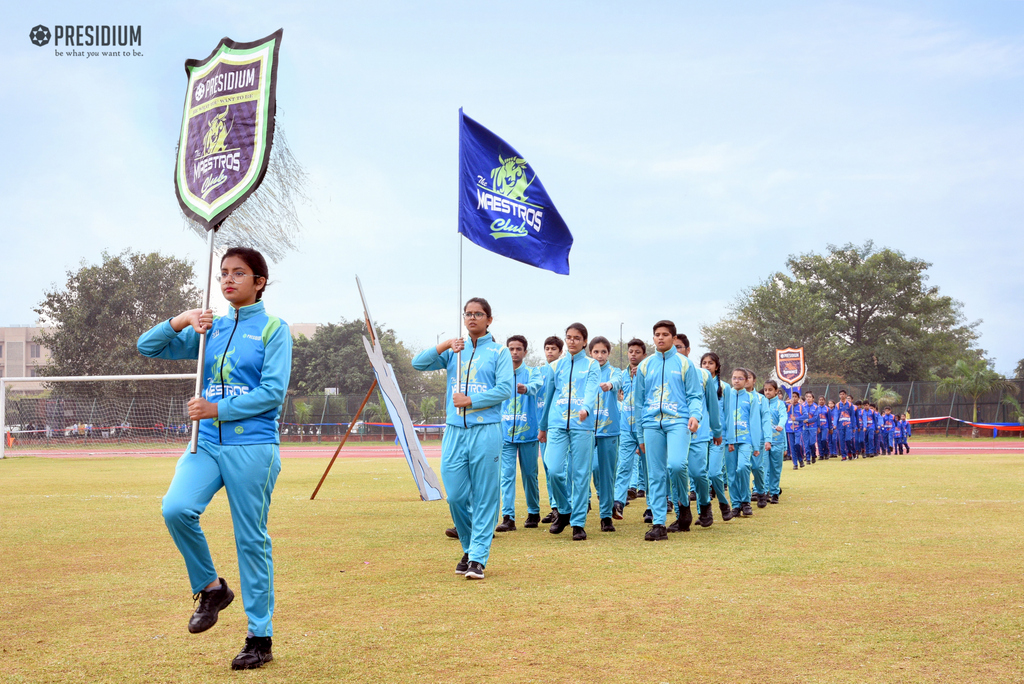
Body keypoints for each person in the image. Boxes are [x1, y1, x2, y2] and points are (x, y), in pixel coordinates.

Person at [138, 247, 291, 670]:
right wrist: (183, 320)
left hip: (253, 446)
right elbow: (147, 346)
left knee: (251, 540)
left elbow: (273, 393)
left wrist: (217, 409)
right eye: (224, 273)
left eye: (239, 273)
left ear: (259, 281)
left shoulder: (274, 329)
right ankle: (211, 588)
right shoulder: (211, 329)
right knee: (176, 509)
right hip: (204, 442)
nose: (228, 280)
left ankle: (259, 637)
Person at [412, 298, 513, 580]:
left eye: (478, 314)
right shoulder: (456, 351)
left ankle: (478, 557)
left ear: (489, 320)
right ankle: (469, 547)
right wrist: (445, 345)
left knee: (484, 495)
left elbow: (505, 389)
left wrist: (472, 400)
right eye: (467, 314)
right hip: (455, 430)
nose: (472, 318)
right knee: (455, 495)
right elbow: (418, 363)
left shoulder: (499, 352)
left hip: (487, 430)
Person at [633, 320, 703, 540]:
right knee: (655, 473)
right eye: (656, 334)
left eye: (665, 334)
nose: (660, 338)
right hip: (651, 424)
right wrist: (639, 432)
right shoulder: (645, 366)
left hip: (679, 422)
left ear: (673, 338)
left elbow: (694, 395)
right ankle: (659, 524)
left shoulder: (685, 364)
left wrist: (695, 415)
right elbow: (638, 402)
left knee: (676, 465)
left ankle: (683, 505)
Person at [538, 323, 600, 541]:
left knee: (581, 474)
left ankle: (578, 523)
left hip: (582, 425)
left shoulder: (592, 365)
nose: (572, 341)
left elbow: (592, 389)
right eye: (569, 337)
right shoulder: (555, 366)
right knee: (553, 468)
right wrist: (543, 426)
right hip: (556, 424)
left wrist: (587, 408)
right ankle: (564, 510)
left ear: (584, 341)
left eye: (576, 338)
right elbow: (548, 398)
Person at [671, 334, 721, 529]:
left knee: (699, 473)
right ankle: (681, 513)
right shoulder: (665, 372)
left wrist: (716, 430)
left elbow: (712, 405)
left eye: (680, 347)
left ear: (688, 350)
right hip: (674, 431)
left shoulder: (703, 375)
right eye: (673, 347)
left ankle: (705, 504)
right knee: (675, 471)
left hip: (699, 433)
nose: (676, 351)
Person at [495, 335, 544, 532]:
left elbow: (536, 386)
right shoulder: (500, 374)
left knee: (530, 475)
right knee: (506, 476)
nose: (514, 352)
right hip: (505, 435)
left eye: (518, 349)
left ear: (525, 352)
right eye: (511, 349)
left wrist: (527, 388)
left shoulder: (533, 372)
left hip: (529, 434)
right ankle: (508, 517)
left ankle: (533, 511)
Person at [586, 336, 622, 532]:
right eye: (596, 352)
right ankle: (581, 509)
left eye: (603, 352)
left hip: (609, 430)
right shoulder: (585, 371)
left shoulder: (615, 372)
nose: (599, 355)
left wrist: (609, 385)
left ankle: (606, 516)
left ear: (608, 353)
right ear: (590, 353)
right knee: (589, 468)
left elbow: (617, 381)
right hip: (586, 428)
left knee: (607, 473)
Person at [722, 368, 765, 518]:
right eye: (734, 378)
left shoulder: (752, 398)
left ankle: (746, 501)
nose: (736, 380)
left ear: (747, 381)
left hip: (746, 440)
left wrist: (755, 444)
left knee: (743, 468)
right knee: (731, 474)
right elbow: (723, 418)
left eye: (740, 378)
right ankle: (736, 504)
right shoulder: (727, 396)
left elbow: (754, 422)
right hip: (729, 441)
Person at [613, 339, 646, 521]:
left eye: (637, 352)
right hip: (626, 427)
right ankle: (618, 502)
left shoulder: (650, 373)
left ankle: (654, 506)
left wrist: (641, 375)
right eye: (630, 351)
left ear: (644, 355)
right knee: (623, 466)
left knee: (650, 468)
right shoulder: (621, 375)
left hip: (647, 428)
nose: (633, 355)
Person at [701, 352, 734, 521]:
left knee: (714, 473)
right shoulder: (696, 384)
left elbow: (728, 415)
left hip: (718, 437)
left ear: (717, 366)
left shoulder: (725, 387)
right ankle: (704, 509)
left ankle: (723, 502)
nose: (707, 366)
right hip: (699, 435)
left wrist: (730, 438)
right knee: (700, 474)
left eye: (710, 363)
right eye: (704, 363)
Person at [539, 336, 564, 524]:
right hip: (544, 427)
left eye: (553, 349)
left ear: (560, 352)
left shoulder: (564, 369)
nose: (550, 352)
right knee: (548, 468)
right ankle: (554, 507)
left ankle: (566, 505)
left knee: (563, 469)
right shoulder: (539, 372)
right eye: (547, 348)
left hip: (562, 426)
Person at [762, 380, 788, 503]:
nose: (767, 392)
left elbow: (784, 416)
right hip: (763, 442)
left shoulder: (780, 404)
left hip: (778, 441)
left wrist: (781, 425)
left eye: (770, 389)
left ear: (776, 391)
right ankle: (765, 492)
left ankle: (775, 493)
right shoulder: (761, 403)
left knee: (776, 468)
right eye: (766, 390)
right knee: (764, 468)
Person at [785, 390, 805, 469]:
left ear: (798, 398)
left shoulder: (801, 406)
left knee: (797, 444)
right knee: (792, 447)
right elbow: (779, 403)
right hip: (790, 429)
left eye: (795, 397)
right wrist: (788, 401)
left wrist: (796, 418)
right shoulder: (788, 406)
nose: (794, 398)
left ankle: (800, 459)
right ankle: (795, 464)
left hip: (798, 429)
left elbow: (805, 416)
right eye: (792, 397)